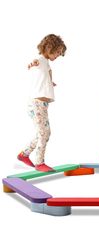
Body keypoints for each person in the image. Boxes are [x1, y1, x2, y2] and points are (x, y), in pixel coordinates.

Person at [17, 34, 67, 172]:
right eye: (57, 52)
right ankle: (39, 163)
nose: (58, 55)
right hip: (36, 104)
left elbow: (46, 75)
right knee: (44, 133)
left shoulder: (47, 64)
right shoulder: (40, 60)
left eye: (60, 53)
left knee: (44, 133)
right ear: (49, 47)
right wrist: (32, 64)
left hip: (42, 105)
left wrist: (50, 82)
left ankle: (24, 154)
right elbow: (34, 63)